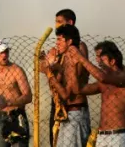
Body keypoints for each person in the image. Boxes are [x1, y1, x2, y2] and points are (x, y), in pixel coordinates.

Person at [69, 41, 125, 147]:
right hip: (101, 137)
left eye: (101, 58)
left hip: (119, 136)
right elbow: (78, 90)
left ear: (112, 61)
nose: (98, 61)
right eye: (96, 57)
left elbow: (102, 77)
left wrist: (81, 58)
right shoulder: (103, 82)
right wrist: (73, 65)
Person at [44, 8, 88, 147]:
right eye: (55, 22)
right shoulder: (60, 50)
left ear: (70, 22)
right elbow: (45, 68)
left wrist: (50, 71)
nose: (57, 25)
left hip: (74, 107)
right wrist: (50, 65)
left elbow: (72, 83)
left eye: (59, 22)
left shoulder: (78, 48)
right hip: (60, 107)